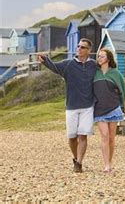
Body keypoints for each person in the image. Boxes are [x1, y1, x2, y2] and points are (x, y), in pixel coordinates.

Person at [38, 38, 96, 173]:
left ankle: (79, 163)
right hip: (71, 106)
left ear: (89, 50)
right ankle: (75, 158)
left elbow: (106, 69)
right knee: (72, 137)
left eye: (82, 47)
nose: (79, 49)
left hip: (88, 106)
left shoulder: (94, 65)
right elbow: (54, 66)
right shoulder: (68, 64)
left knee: (83, 135)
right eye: (78, 46)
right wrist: (44, 59)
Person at [93, 48, 125, 173]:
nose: (99, 59)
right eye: (98, 56)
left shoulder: (115, 73)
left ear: (108, 58)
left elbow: (124, 90)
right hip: (99, 109)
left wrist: (121, 103)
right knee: (104, 136)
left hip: (113, 108)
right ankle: (106, 164)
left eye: (102, 56)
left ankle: (110, 162)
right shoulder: (94, 73)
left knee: (112, 138)